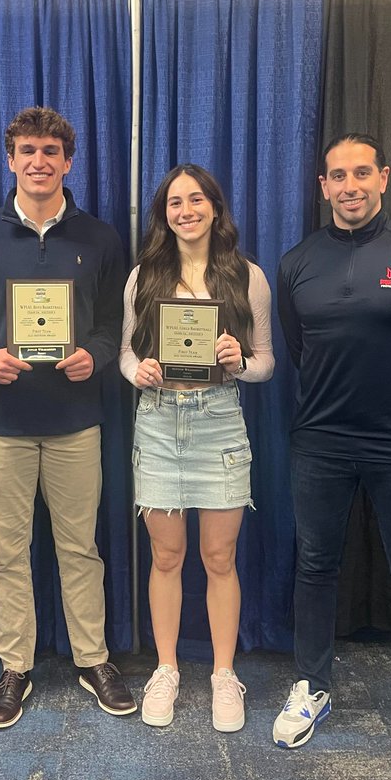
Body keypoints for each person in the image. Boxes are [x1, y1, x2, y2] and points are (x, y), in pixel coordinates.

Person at [272, 133, 391, 773]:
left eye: (361, 173)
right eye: (336, 176)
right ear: (322, 187)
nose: (349, 186)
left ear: (383, 177)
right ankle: (313, 686)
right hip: (320, 442)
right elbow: (300, 349)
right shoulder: (297, 263)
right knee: (316, 566)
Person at [0, 106, 136, 728]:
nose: (38, 161)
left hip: (76, 420)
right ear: (10, 160)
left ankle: (92, 658)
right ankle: (15, 666)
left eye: (50, 151)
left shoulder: (101, 239)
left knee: (80, 548)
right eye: (27, 150)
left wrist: (98, 356)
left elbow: (115, 326)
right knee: (6, 552)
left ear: (67, 161)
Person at [120, 164, 274, 732]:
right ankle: (166, 668)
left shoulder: (247, 276)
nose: (185, 211)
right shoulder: (142, 277)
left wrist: (240, 363)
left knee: (218, 559)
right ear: (164, 213)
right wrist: (141, 371)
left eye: (196, 200)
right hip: (159, 425)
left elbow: (266, 362)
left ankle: (222, 675)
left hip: (220, 422)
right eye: (174, 203)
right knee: (166, 557)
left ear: (215, 206)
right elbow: (123, 355)